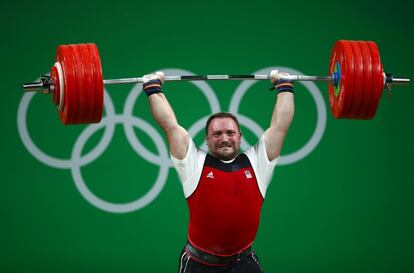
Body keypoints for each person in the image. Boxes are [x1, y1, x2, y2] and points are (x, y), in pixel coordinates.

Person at [142, 70, 295, 273]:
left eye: (230, 132)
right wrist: (153, 88)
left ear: (239, 136)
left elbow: (280, 126)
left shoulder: (257, 162)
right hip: (199, 265)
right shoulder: (193, 163)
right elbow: (170, 126)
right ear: (207, 139)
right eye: (217, 134)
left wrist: (284, 87)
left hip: (243, 263)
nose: (224, 138)